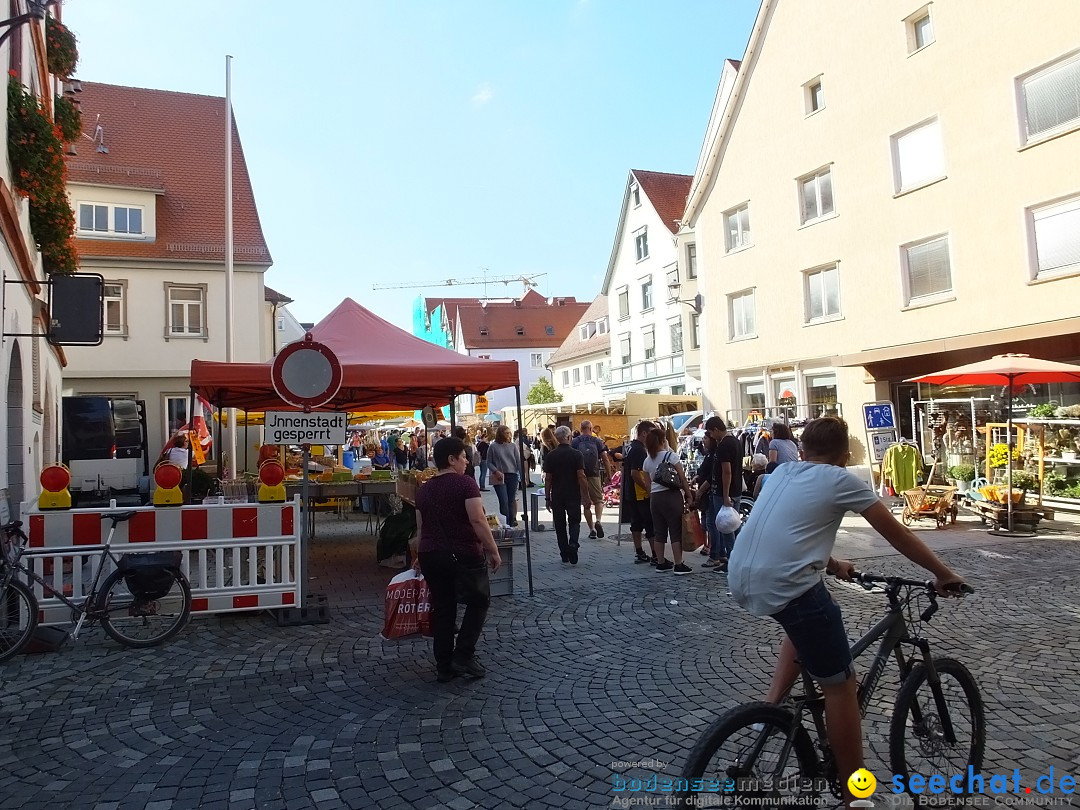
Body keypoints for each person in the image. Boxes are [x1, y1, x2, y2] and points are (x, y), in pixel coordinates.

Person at [728, 416, 965, 806]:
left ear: (803, 450)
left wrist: (833, 562)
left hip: (741, 576)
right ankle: (857, 793)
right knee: (840, 688)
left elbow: (789, 531)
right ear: (844, 456)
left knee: (803, 619)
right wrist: (942, 573)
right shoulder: (842, 480)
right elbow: (899, 533)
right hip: (785, 584)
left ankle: (771, 711)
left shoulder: (782, 471)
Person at [415, 437, 502, 683]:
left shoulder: (423, 489)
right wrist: (493, 550)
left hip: (430, 554)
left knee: (443, 609)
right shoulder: (465, 484)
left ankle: (444, 665)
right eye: (463, 457)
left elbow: (421, 527)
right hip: (463, 554)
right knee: (479, 601)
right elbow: (477, 519)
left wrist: (418, 556)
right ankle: (463, 656)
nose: (466, 462)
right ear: (451, 459)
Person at [642, 427, 693, 574]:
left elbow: (647, 484)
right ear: (663, 440)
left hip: (655, 498)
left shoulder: (647, 461)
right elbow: (682, 478)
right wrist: (688, 494)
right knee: (675, 530)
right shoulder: (671, 457)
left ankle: (661, 562)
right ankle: (678, 564)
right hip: (671, 496)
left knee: (659, 532)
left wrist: (652, 496)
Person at [542, 426, 590, 564]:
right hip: (573, 493)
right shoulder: (576, 454)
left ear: (557, 438)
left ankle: (564, 553)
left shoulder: (551, 455)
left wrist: (547, 497)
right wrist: (586, 495)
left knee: (560, 525)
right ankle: (573, 544)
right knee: (574, 521)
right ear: (569, 437)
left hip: (557, 494)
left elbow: (548, 478)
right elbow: (581, 476)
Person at [704, 416, 742, 572]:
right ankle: (737, 558)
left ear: (716, 430)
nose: (711, 437)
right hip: (736, 490)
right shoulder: (735, 442)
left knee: (726, 527)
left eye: (711, 433)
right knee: (734, 525)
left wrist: (725, 495)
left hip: (724, 492)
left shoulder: (724, 446)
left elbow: (727, 472)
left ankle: (732, 561)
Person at [621, 421, 655, 564]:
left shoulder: (631, 447)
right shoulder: (639, 450)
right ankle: (656, 555)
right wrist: (648, 487)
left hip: (631, 492)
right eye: (651, 433)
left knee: (636, 522)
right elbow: (635, 473)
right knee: (650, 524)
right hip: (640, 493)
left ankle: (640, 552)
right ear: (644, 433)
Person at [572, 420, 612, 539]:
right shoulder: (597, 441)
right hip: (594, 474)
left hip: (580, 475)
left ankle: (591, 529)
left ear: (581, 428)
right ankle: (598, 520)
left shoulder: (575, 441)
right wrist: (609, 474)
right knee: (599, 500)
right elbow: (605, 458)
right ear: (591, 428)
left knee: (586, 503)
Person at [487, 425, 521, 526]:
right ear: (500, 434)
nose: (508, 435)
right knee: (503, 500)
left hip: (512, 475)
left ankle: (511, 523)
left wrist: (523, 477)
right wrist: (495, 471)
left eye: (509, 433)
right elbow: (489, 462)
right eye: (506, 433)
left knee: (511, 500)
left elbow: (518, 461)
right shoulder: (493, 446)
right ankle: (505, 523)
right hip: (499, 476)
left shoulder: (513, 446)